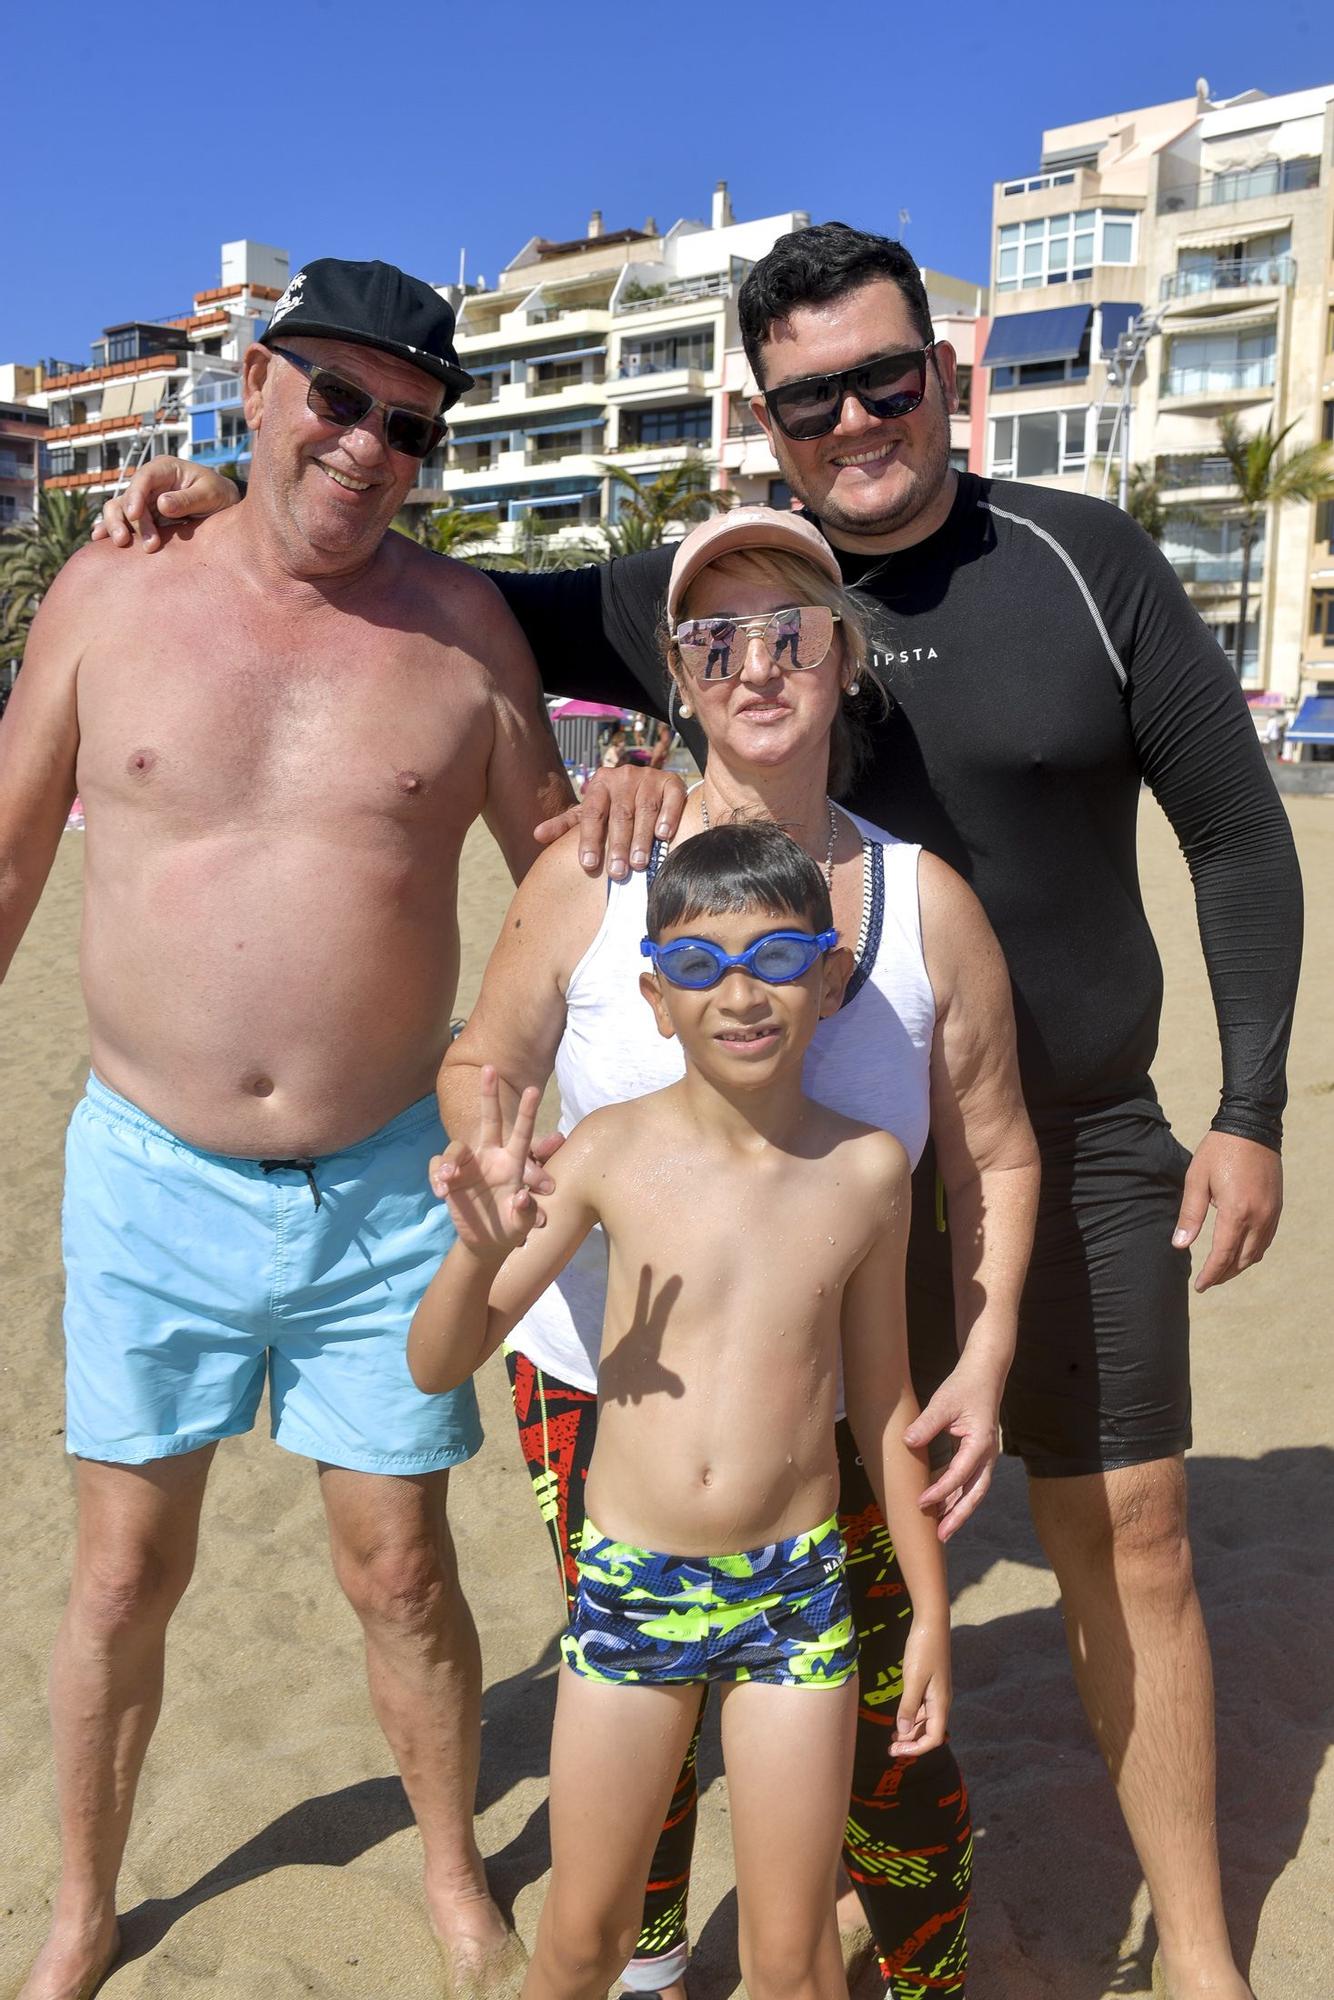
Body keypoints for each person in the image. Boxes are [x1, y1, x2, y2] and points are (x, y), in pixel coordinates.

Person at [99, 220, 1304, 2000]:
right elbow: (444, 585)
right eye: (808, 396)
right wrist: (241, 493)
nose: (853, 417)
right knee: (706, 1617)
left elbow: (1226, 837)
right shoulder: (672, 713)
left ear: (942, 375)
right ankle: (700, 1922)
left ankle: (1183, 1956)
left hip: (1053, 1148)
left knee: (1103, 1541)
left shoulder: (1074, 568)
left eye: (884, 379)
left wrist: (1253, 1098)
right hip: (745, 1241)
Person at [0, 257, 576, 2000]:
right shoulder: (110, 593)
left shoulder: (467, 632)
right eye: (335, 398)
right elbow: (16, 852)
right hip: (148, 1170)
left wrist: (521, 1071)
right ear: (255, 388)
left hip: (389, 1189)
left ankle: (455, 1874)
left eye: (408, 425)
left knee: (398, 1568)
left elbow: (551, 880)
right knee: (120, 1580)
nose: (366, 446)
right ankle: (86, 1908)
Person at [439, 505, 1037, 1999]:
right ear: (674, 677)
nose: (755, 665)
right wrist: (487, 1174)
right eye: (715, 640)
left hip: (831, 1419)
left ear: (845, 657)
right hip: (601, 1391)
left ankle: (921, 1976)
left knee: (885, 1778)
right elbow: (484, 1061)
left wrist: (989, 1341)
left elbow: (998, 1153)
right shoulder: (597, 866)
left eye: (790, 631)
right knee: (626, 1804)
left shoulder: (920, 906)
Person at [408, 824, 954, 2000]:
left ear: (827, 974)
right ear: (656, 998)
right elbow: (433, 1359)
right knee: (580, 1941)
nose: (740, 993)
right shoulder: (608, 1152)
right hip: (632, 1586)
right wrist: (474, 1254)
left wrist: (929, 1610)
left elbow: (883, 1399)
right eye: (699, 968)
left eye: (774, 958)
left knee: (794, 1959)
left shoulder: (866, 1171)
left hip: (796, 1597)